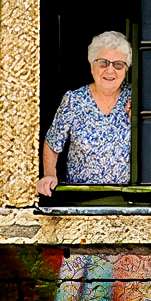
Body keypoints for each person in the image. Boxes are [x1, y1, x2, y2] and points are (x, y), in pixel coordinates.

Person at [38, 30, 132, 196]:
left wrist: (139, 123)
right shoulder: (74, 100)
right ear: (91, 66)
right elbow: (53, 143)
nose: (110, 70)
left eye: (118, 64)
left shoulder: (136, 98)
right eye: (103, 63)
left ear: (126, 70)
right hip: (82, 198)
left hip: (126, 198)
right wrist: (49, 174)